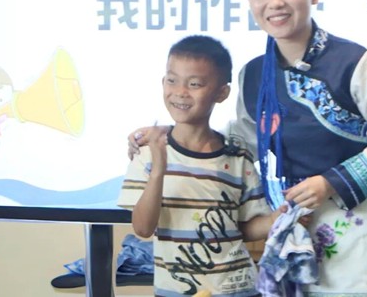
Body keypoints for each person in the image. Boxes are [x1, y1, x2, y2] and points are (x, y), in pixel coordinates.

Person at [129, 0, 367, 295]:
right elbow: (243, 144)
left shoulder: (358, 64)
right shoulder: (253, 74)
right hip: (288, 231)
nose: (275, 2)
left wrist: (329, 183)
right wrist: (174, 136)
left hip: (359, 234)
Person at [118, 35, 287, 296]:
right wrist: (159, 171)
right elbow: (142, 229)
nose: (180, 92)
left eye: (194, 84)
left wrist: (276, 220)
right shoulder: (147, 152)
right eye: (172, 80)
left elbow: (241, 228)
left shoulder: (237, 156)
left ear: (222, 93)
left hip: (238, 289)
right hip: (175, 291)